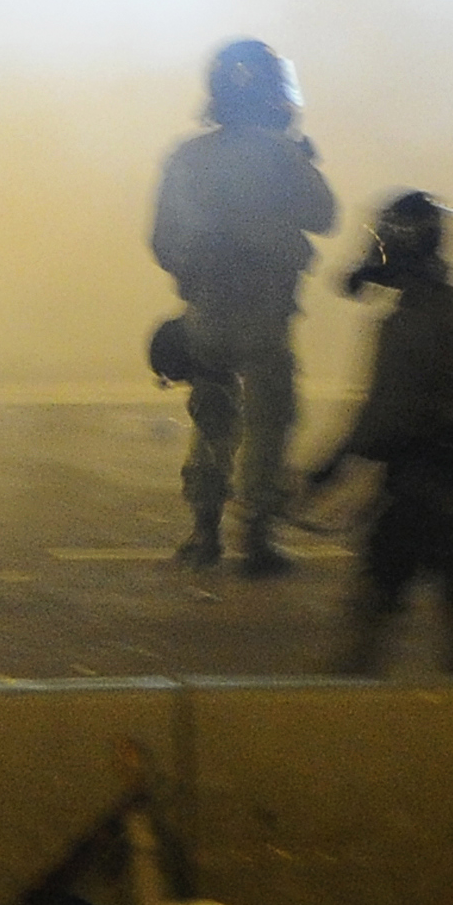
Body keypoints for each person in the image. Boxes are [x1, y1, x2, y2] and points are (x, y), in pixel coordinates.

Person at [300, 192, 453, 676]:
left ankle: (341, 720)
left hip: (419, 492)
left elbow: (382, 422)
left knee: (371, 617)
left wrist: (325, 472)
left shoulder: (405, 323)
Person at [150, 38, 337, 577]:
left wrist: (196, 272)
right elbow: (323, 215)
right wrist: (303, 158)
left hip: (205, 310)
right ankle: (257, 537)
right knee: (270, 420)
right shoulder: (280, 155)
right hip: (265, 312)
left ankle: (204, 533)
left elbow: (163, 238)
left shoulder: (188, 157)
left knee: (211, 417)